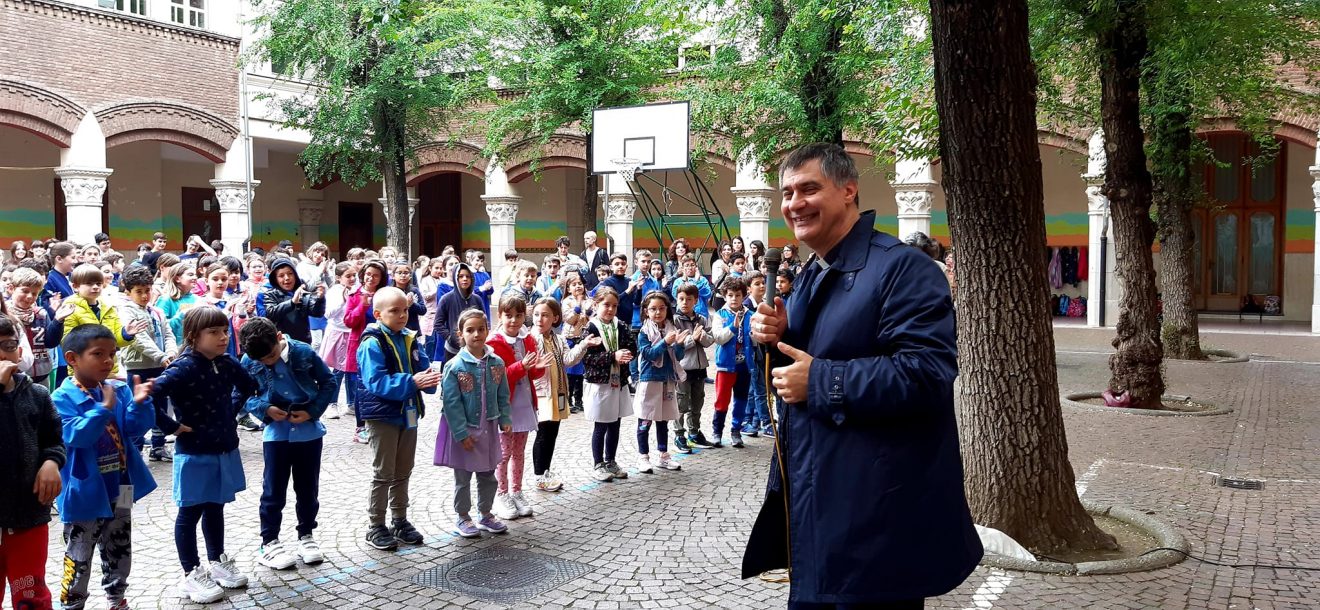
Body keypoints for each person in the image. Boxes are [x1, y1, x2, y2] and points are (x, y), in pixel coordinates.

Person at [744, 143, 981, 607]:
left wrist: (821, 381)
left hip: (875, 523)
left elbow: (927, 373)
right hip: (819, 507)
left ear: (849, 190)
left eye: (809, 189)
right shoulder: (814, 272)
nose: (794, 204)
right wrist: (775, 337)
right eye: (788, 193)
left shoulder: (902, 268)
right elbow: (808, 360)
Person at [151, 308, 258, 604]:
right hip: (194, 451)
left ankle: (217, 562)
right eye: (214, 332)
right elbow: (151, 395)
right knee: (190, 512)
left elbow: (248, 385)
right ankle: (191, 572)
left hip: (224, 445)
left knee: (216, 506)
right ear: (194, 336)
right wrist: (171, 426)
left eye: (225, 331)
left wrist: (231, 411)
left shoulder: (225, 363)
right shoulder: (183, 367)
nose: (223, 337)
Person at [53, 324, 157, 610]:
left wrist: (139, 404)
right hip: (85, 492)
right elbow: (77, 436)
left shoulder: (117, 390)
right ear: (72, 359)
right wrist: (102, 410)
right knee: (79, 553)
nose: (108, 361)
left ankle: (116, 598)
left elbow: (134, 431)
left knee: (120, 544)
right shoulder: (61, 399)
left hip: (121, 484)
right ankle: (73, 604)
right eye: (98, 354)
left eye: (112, 353)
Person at [238, 318, 335, 571]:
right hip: (276, 435)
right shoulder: (251, 360)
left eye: (271, 355)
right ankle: (269, 541)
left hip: (309, 432)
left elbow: (328, 382)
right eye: (263, 361)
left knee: (307, 489)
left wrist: (312, 411)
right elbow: (244, 394)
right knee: (273, 490)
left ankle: (306, 535)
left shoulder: (303, 352)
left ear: (279, 337)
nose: (268, 362)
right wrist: (265, 408)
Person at [354, 287, 441, 551]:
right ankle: (376, 525)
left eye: (405, 310)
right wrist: (412, 381)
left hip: (408, 413)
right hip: (383, 417)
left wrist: (429, 379)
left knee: (403, 470)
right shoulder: (372, 342)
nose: (402, 315)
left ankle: (399, 520)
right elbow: (376, 381)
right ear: (378, 314)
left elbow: (423, 368)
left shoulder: (409, 337)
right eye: (395, 311)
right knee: (384, 473)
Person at [0, 314, 63, 610]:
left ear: (20, 350)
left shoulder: (37, 395)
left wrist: (51, 462)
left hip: (27, 516)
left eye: (8, 344)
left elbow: (53, 440)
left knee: (30, 594)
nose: (2, 353)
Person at [435, 308, 511, 538]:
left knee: (488, 474)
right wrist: (460, 432)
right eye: (470, 330)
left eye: (480, 329)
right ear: (461, 334)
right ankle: (462, 516)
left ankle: (486, 513)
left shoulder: (496, 362)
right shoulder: (455, 366)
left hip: (488, 428)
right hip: (465, 429)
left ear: (488, 330)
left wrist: (505, 418)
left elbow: (502, 394)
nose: (476, 334)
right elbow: (451, 402)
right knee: (463, 477)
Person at [487, 295, 547, 520]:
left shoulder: (527, 339)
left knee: (519, 451)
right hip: (505, 405)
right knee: (504, 452)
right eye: (508, 315)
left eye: (518, 315)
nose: (513, 320)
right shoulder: (494, 343)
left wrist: (537, 369)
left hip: (524, 402)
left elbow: (535, 372)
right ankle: (500, 493)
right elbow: (497, 377)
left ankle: (516, 491)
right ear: (500, 316)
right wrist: (520, 367)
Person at [118, 265, 178, 461]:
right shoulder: (126, 311)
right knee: (138, 406)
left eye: (147, 291)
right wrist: (161, 356)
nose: (144, 296)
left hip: (160, 365)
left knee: (160, 406)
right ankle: (135, 448)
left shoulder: (157, 311)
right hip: (138, 368)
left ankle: (158, 446)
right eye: (139, 292)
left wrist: (170, 352)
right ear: (128, 292)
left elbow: (168, 333)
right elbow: (138, 339)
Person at [578, 287, 635, 482]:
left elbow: (631, 344)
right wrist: (613, 356)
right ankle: (598, 463)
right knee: (601, 424)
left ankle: (611, 460)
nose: (610, 309)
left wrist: (627, 355)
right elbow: (588, 358)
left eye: (614, 306)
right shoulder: (591, 328)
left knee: (615, 423)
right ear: (595, 305)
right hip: (600, 383)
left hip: (618, 381)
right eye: (606, 305)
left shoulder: (621, 325)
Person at [51, 265, 141, 383]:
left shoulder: (108, 307)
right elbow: (68, 343)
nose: (95, 287)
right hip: (83, 373)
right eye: (89, 284)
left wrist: (126, 334)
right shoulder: (69, 308)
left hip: (109, 370)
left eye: (98, 284)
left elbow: (116, 341)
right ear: (75, 286)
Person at [632, 291, 688, 473]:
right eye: (653, 309)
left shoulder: (671, 328)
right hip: (650, 380)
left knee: (663, 420)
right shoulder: (644, 332)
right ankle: (643, 457)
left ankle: (663, 455)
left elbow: (678, 356)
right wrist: (665, 342)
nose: (658, 313)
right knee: (645, 420)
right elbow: (648, 354)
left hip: (667, 380)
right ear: (646, 311)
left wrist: (679, 344)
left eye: (662, 309)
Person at [530, 297, 576, 492]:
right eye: (537, 314)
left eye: (545, 315)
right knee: (542, 434)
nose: (540, 319)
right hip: (541, 393)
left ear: (555, 318)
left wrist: (583, 345)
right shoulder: (532, 338)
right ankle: (539, 475)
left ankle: (546, 470)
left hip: (557, 392)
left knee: (551, 433)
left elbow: (568, 359)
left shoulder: (557, 339)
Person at [343, 260, 388, 444]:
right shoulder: (355, 295)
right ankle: (359, 427)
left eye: (375, 275)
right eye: (368, 274)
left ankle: (378, 422)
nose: (371, 278)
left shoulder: (385, 295)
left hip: (381, 346)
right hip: (360, 346)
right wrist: (362, 306)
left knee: (378, 384)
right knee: (360, 389)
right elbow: (348, 321)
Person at [671, 282, 715, 452]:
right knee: (681, 402)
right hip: (682, 368)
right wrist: (692, 339)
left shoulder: (702, 319)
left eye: (689, 299)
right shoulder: (674, 320)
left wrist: (701, 337)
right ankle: (679, 435)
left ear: (695, 301)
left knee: (697, 402)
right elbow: (676, 346)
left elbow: (710, 340)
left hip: (699, 367)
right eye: (681, 299)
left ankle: (694, 432)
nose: (685, 303)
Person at [710, 277, 751, 448]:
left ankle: (736, 431)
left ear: (744, 296)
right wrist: (733, 327)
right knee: (722, 399)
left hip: (745, 365)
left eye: (738, 295)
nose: (734, 299)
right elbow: (718, 338)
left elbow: (754, 338)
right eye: (730, 295)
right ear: (724, 296)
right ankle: (717, 431)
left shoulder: (751, 315)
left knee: (741, 399)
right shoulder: (720, 315)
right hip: (726, 365)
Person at [318, 262, 357, 420]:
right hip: (337, 333)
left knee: (352, 369)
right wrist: (343, 300)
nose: (352, 278)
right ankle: (332, 403)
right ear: (339, 277)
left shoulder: (356, 289)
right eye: (348, 276)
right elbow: (328, 314)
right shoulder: (335, 291)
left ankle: (352, 402)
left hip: (352, 333)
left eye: (354, 275)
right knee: (337, 370)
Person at [258, 258, 327, 345]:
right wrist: (292, 302)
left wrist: (320, 299)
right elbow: (270, 314)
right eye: (281, 276)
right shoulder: (270, 295)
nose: (287, 278)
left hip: (302, 342)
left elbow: (317, 313)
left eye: (290, 274)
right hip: (280, 343)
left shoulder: (301, 291)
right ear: (275, 279)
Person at [6, 267, 53, 385]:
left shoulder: (41, 314)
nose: (29, 297)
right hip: (13, 373)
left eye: (34, 293)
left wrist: (58, 321)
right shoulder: (4, 314)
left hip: (41, 373)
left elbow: (51, 341)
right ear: (11, 288)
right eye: (25, 291)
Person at [741, 270, 772, 437]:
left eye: (763, 282)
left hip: (761, 351)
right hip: (751, 352)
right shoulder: (746, 306)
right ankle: (765, 422)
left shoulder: (766, 302)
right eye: (757, 283)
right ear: (748, 288)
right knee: (757, 388)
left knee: (756, 387)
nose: (762, 286)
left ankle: (753, 421)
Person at [435, 261, 484, 364]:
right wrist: (450, 337)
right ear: (455, 279)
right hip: (453, 350)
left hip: (474, 348)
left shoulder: (477, 299)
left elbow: (484, 321)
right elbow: (438, 324)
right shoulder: (446, 299)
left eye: (467, 276)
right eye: (461, 276)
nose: (465, 279)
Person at [558, 275, 592, 412]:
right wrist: (578, 306)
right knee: (570, 371)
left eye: (580, 283)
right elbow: (570, 319)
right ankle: (568, 398)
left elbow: (591, 316)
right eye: (574, 284)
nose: (578, 286)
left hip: (583, 338)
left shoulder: (588, 300)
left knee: (581, 372)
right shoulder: (567, 301)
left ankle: (579, 399)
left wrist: (589, 311)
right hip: (570, 338)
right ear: (568, 288)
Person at [669, 253, 713, 319]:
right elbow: (676, 295)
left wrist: (698, 281)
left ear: (696, 266)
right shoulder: (678, 281)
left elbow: (708, 294)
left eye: (692, 265)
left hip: (701, 314)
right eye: (687, 265)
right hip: (683, 315)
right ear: (683, 268)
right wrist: (686, 281)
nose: (690, 268)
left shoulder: (702, 280)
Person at [388, 262, 427, 333]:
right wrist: (406, 305)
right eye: (399, 273)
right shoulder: (390, 291)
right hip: (395, 329)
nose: (403, 275)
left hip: (412, 329)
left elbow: (423, 310)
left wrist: (412, 304)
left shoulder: (414, 290)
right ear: (393, 276)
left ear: (410, 276)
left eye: (406, 273)